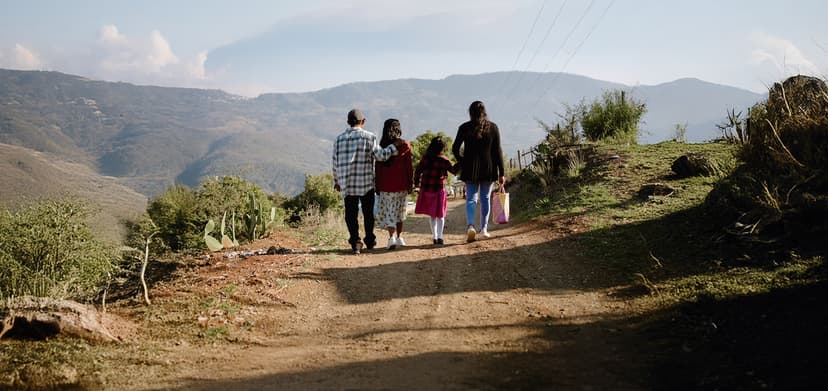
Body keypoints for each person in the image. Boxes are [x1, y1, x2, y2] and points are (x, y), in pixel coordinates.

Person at [332, 109, 400, 254]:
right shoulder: (369, 137)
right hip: (366, 183)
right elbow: (381, 156)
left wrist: (337, 181)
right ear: (363, 121)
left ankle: (356, 242)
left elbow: (335, 163)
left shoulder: (338, 139)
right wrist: (394, 147)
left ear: (348, 122)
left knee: (350, 215)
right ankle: (369, 240)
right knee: (368, 213)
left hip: (347, 184)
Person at [452, 100, 505, 242]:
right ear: (484, 112)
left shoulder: (464, 127)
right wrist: (502, 173)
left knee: (471, 198)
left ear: (470, 113)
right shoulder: (493, 127)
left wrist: (462, 161)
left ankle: (470, 226)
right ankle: (484, 229)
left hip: (470, 168)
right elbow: (497, 152)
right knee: (485, 198)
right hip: (488, 168)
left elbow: (455, 148)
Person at [374, 119, 414, 250]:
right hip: (401, 185)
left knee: (389, 212)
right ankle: (399, 237)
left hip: (386, 185)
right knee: (399, 212)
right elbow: (409, 166)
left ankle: (391, 238)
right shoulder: (404, 145)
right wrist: (410, 183)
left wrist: (377, 185)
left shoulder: (381, 146)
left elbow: (378, 168)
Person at [414, 136, 458, 245]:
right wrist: (461, 161)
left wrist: (416, 184)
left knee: (432, 215)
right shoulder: (444, 160)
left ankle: (434, 237)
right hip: (439, 189)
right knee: (441, 215)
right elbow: (454, 171)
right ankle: (440, 237)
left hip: (427, 189)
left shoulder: (425, 158)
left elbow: (418, 171)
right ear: (442, 148)